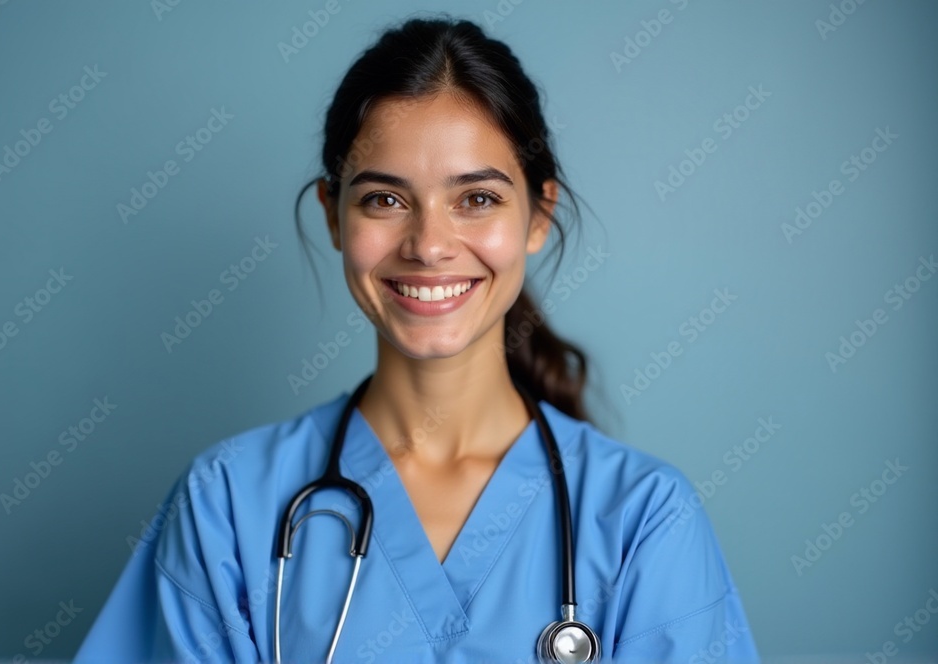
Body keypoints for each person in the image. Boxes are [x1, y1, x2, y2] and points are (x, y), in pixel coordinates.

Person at [74, 15, 760, 664]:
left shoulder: (644, 518)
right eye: (385, 199)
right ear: (334, 217)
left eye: (477, 198)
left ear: (538, 216)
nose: (429, 246)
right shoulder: (228, 503)